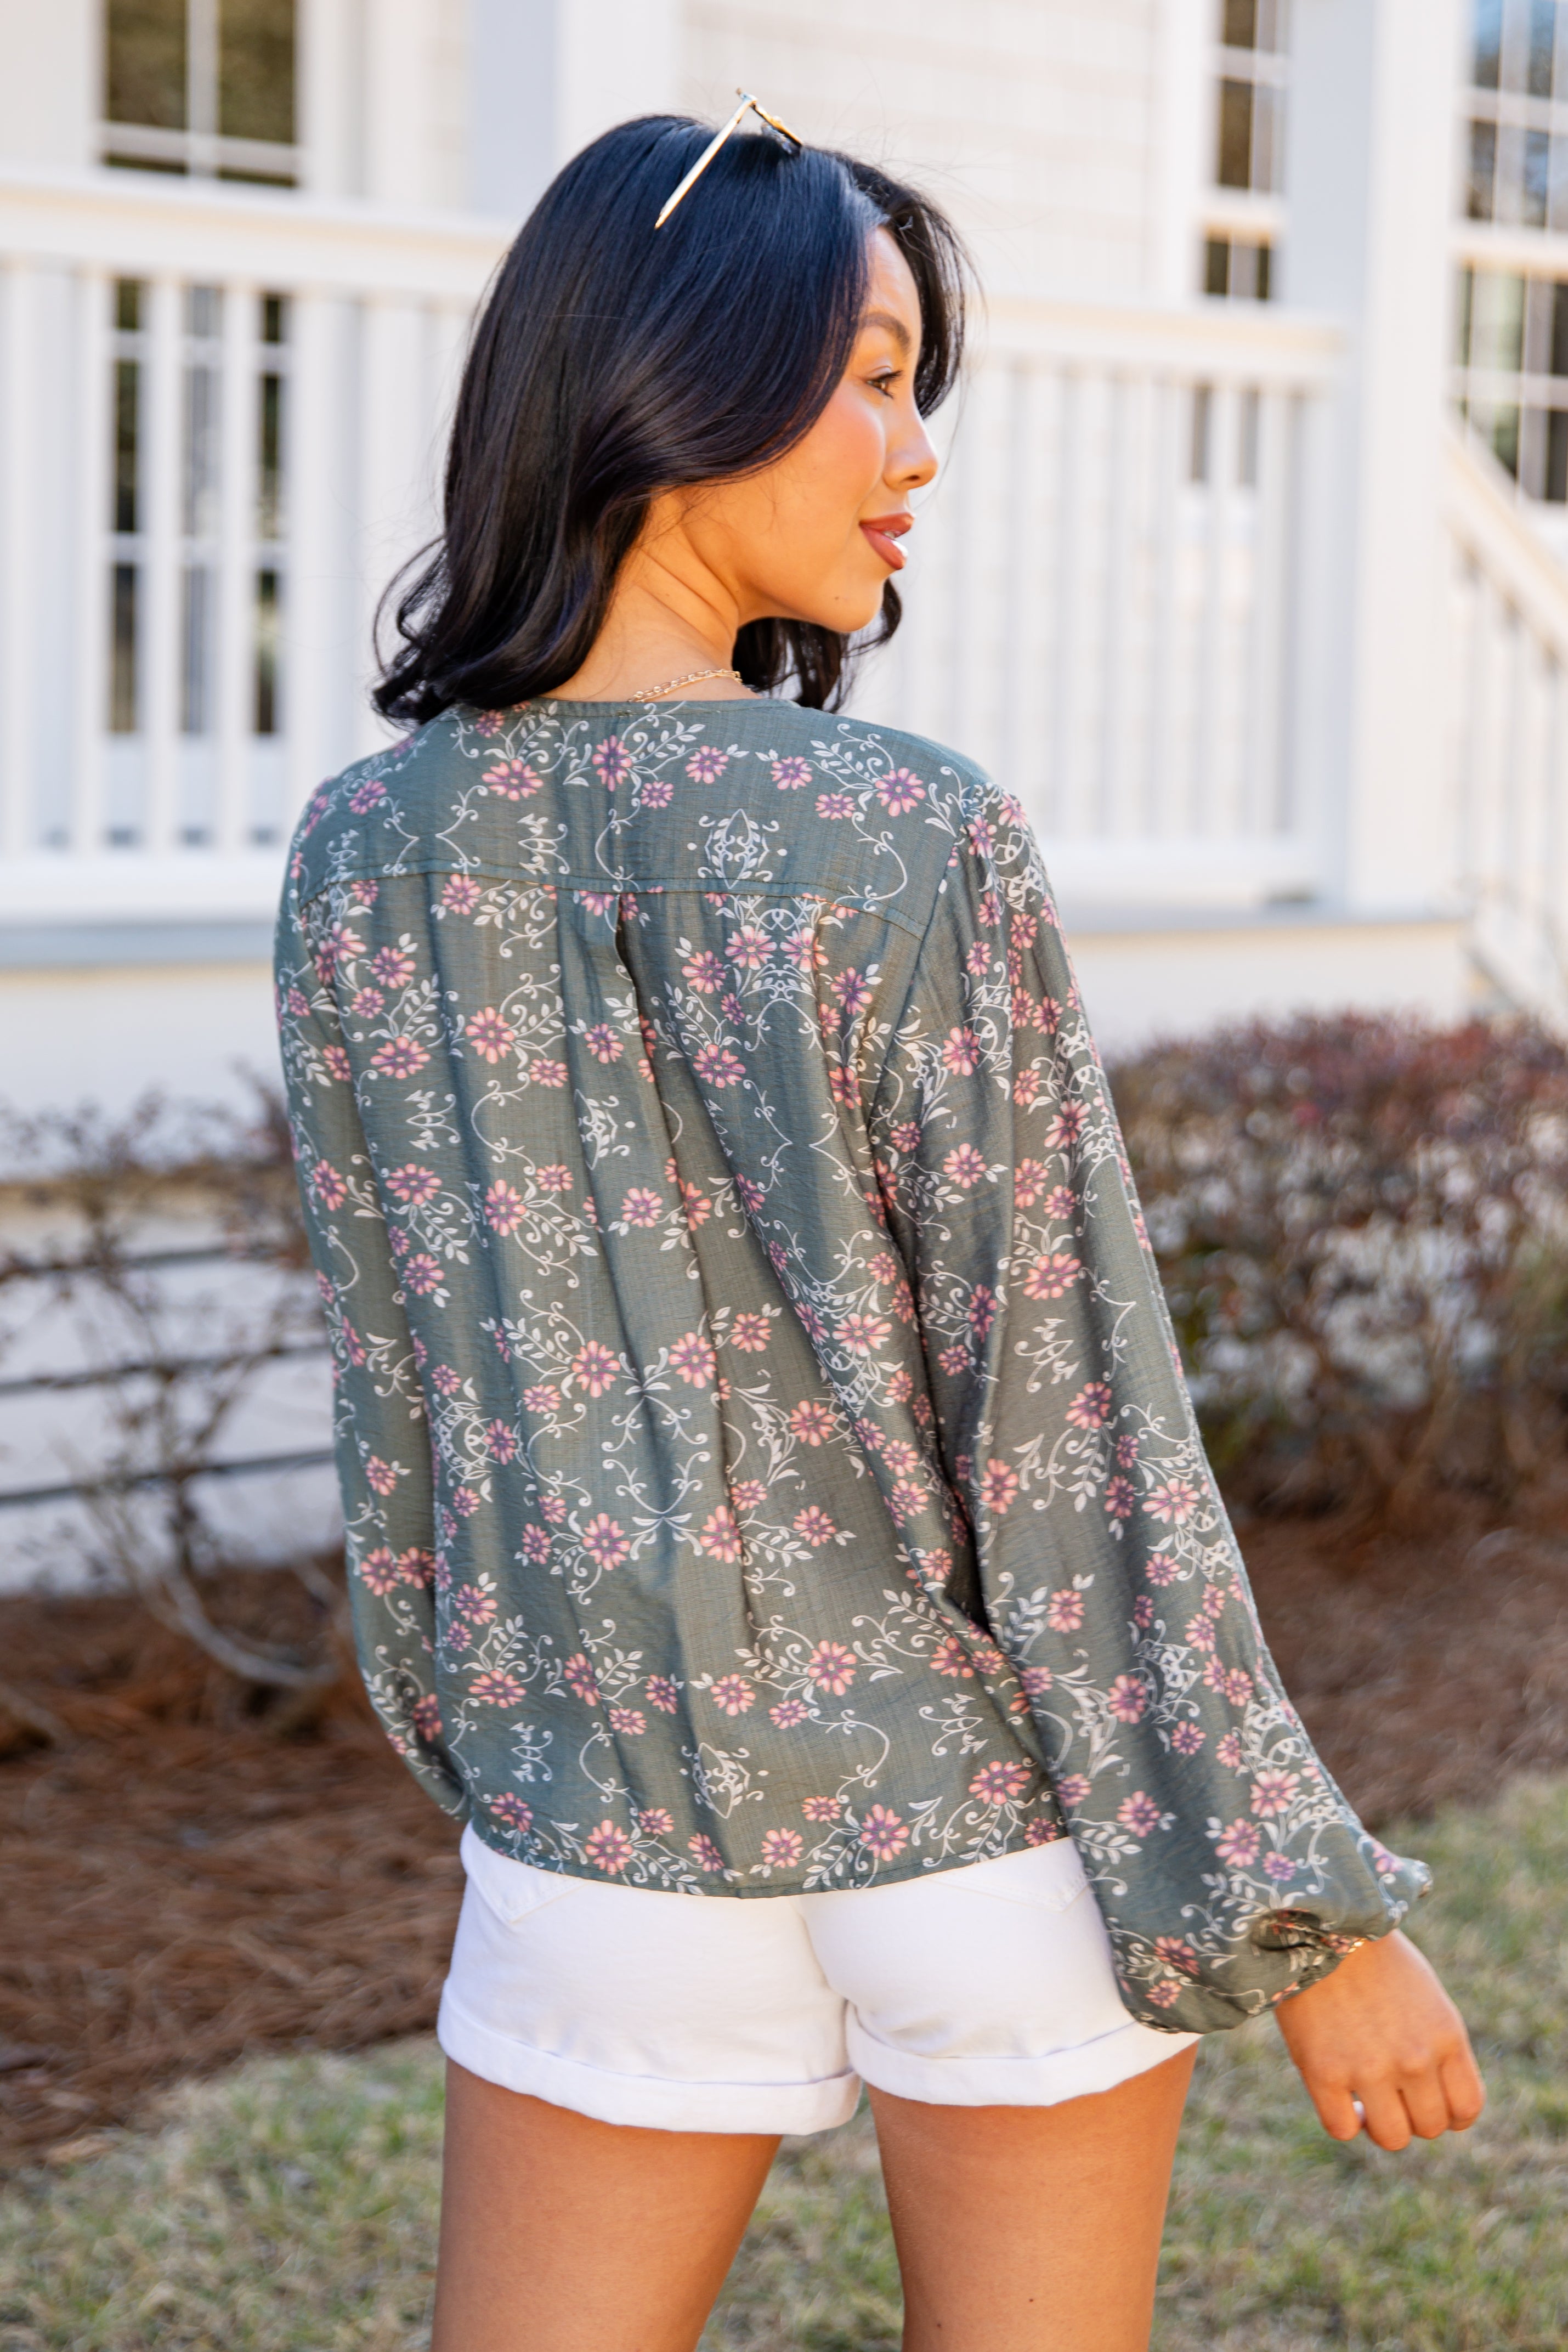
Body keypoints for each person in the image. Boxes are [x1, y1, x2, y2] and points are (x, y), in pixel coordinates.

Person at [274, 109, 1485, 2352]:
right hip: (976, 1840)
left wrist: (503, 1749)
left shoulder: (366, 857)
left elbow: (408, 1405)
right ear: (669, 379)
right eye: (862, 372)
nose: (910, 444)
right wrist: (1300, 1912)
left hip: (598, 1824)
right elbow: (1065, 1425)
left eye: (917, 381)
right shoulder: (894, 834)